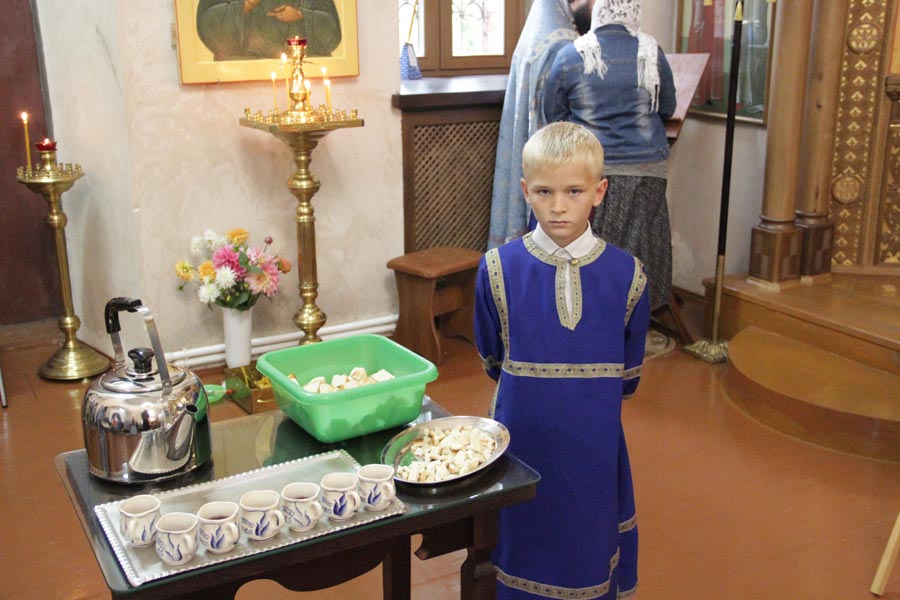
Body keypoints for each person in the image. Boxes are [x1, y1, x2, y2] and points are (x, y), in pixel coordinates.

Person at [475, 121, 649, 599]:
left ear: (599, 192)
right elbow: (493, 356)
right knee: (522, 534)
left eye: (574, 191)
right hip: (521, 441)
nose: (558, 206)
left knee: (586, 541)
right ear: (525, 191)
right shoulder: (497, 269)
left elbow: (628, 377)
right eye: (544, 192)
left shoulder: (629, 276)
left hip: (593, 445)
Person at [542, 0, 676, 310]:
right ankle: (638, 311)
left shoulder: (571, 54)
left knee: (592, 246)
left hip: (590, 168)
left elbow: (554, 117)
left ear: (600, 11)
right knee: (643, 244)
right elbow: (667, 107)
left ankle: (586, 311)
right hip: (647, 167)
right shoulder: (651, 52)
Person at [488, 0, 590, 249]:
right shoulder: (564, 44)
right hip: (553, 156)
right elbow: (558, 115)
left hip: (529, 150)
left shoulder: (539, 30)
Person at [197, 0, 341, 61]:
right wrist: (246, 5)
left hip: (300, 64)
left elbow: (332, 30)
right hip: (245, 66)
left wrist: (300, 15)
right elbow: (208, 25)